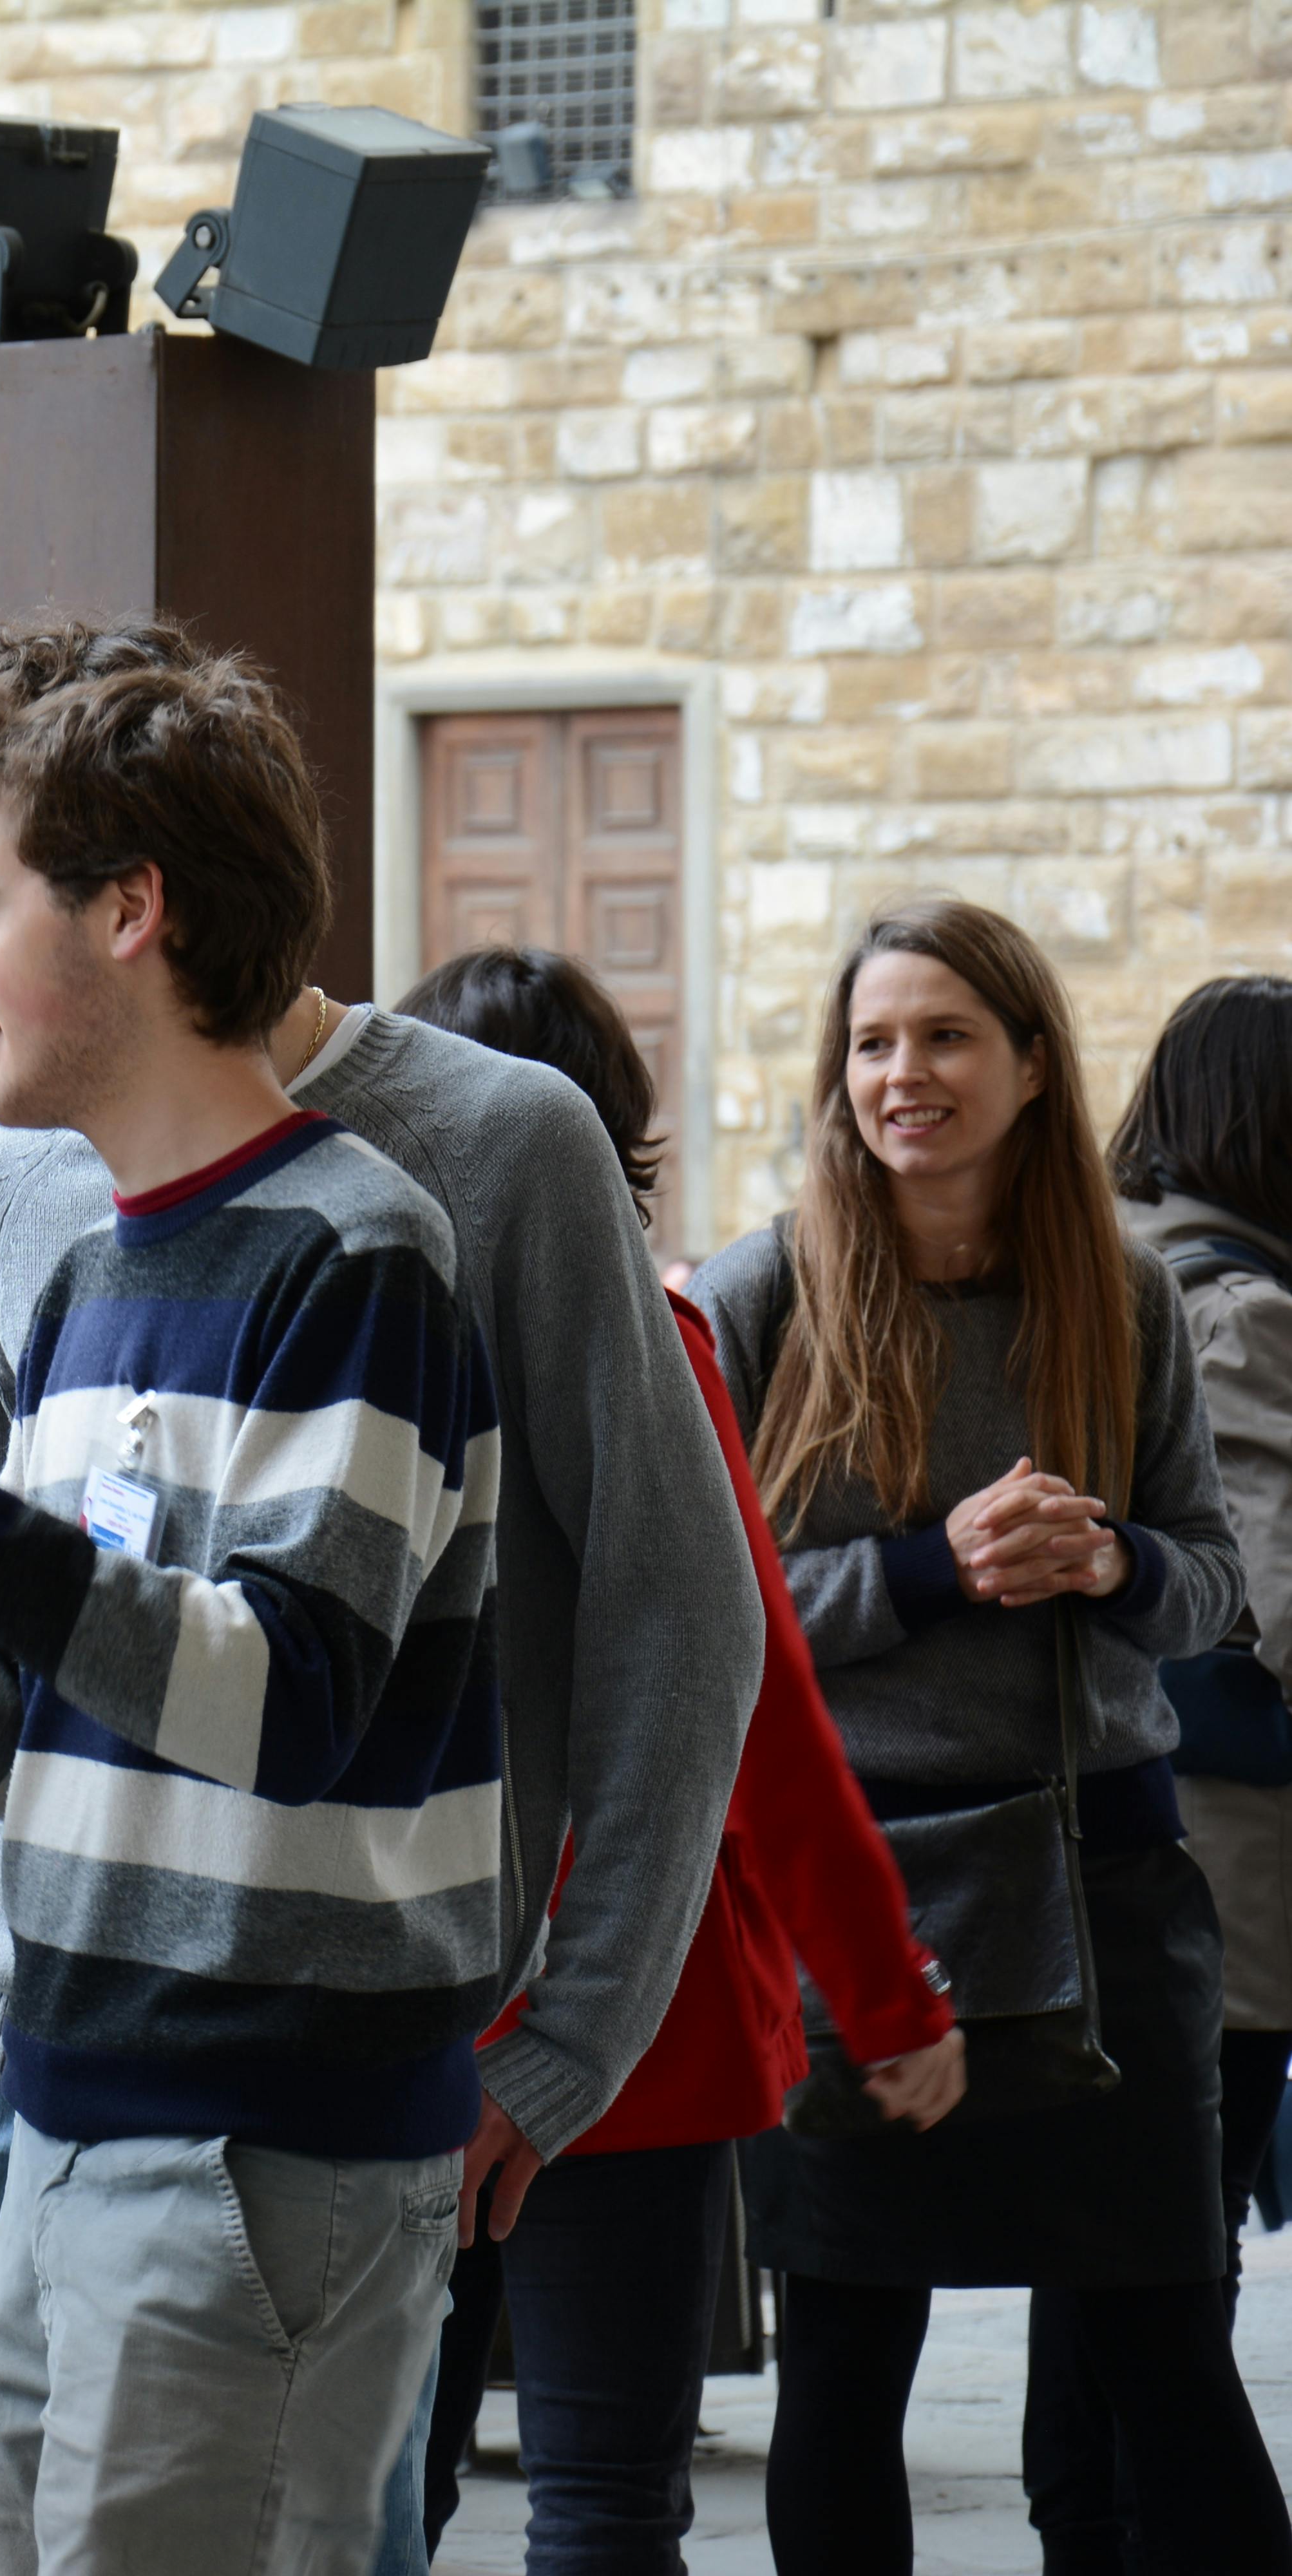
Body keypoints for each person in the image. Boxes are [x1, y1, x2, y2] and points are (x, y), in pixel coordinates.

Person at [0, 616, 763, 2576]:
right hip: (34, 2050)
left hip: (295, 2073)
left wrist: (562, 2044)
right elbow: (17, 1668)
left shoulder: (453, 1172)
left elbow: (662, 1614)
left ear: (131, 906)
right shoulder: (19, 1191)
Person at [687, 900, 1287, 2575]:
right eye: (875, 1042)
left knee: (1167, 2344)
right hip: (865, 1896)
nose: (907, 1074)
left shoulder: (1126, 1294)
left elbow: (1220, 1588)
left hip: (1109, 1882)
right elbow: (704, 1623)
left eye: (948, 1036)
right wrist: (924, 1568)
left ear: (1031, 1066)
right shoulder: (758, 1301)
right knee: (851, 2361)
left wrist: (1113, 1562)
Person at [372, 947, 960, 2576]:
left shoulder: (336, 1329)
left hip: (399, 1981)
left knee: (374, 2489)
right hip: (625, 2011)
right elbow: (744, 1695)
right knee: (606, 2495)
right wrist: (885, 1988)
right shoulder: (650, 1341)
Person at [1039, 973, 1292, 2568]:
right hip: (1229, 1872)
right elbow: (1268, 1600)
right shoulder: (1239, 1305)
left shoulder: (1108, 1264)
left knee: (1115, 2252)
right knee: (1164, 2263)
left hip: (1132, 1843)